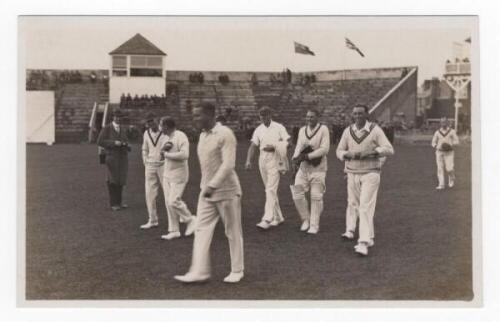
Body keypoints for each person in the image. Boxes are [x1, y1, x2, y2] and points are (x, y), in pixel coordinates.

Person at [174, 102, 244, 283]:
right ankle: (199, 271)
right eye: (194, 115)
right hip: (206, 192)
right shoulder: (203, 135)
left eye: (198, 115)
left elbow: (229, 164)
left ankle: (237, 270)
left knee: (232, 232)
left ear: (210, 115)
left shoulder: (225, 134)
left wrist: (213, 185)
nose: (194, 119)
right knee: (201, 229)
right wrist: (207, 187)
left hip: (227, 191)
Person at [336, 104, 394, 256]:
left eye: (361, 113)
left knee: (365, 206)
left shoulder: (375, 129)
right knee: (353, 203)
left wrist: (373, 152)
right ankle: (357, 232)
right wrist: (347, 155)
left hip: (371, 173)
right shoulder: (348, 131)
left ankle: (363, 242)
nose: (357, 116)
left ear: (367, 115)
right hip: (352, 172)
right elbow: (339, 150)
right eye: (355, 113)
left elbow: (389, 149)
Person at [245, 106, 290, 229]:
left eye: (265, 115)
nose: (263, 118)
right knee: (269, 189)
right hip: (262, 160)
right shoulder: (258, 129)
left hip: (275, 159)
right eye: (261, 116)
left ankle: (267, 219)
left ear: (270, 115)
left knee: (270, 189)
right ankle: (278, 217)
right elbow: (253, 146)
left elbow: (288, 142)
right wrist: (249, 160)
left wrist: (275, 146)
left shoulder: (279, 127)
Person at [290, 108, 330, 234]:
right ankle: (305, 219)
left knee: (316, 196)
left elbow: (325, 149)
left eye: (312, 117)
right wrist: (295, 158)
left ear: (317, 117)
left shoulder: (323, 129)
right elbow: (299, 146)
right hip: (303, 167)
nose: (309, 119)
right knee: (297, 193)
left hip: (318, 168)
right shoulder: (302, 130)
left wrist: (308, 156)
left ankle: (314, 225)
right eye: (308, 117)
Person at [159, 116, 196, 240]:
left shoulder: (181, 136)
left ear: (167, 126)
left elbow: (185, 155)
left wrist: (167, 154)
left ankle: (190, 220)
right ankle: (174, 230)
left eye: (161, 125)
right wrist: (162, 153)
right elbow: (163, 155)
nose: (160, 128)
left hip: (179, 174)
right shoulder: (166, 138)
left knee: (173, 201)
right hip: (167, 174)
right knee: (168, 203)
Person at [97, 110, 130, 211]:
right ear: (113, 117)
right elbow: (100, 141)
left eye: (120, 117)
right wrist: (114, 143)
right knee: (112, 180)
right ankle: (113, 204)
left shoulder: (122, 128)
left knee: (121, 179)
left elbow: (126, 140)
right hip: (112, 157)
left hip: (122, 157)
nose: (118, 118)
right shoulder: (107, 128)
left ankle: (119, 202)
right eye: (116, 117)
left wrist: (127, 145)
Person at [139, 113, 164, 229]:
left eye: (152, 121)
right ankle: (152, 219)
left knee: (170, 192)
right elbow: (144, 149)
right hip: (150, 166)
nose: (150, 124)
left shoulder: (164, 132)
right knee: (150, 193)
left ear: (157, 120)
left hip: (163, 166)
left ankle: (178, 215)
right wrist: (145, 160)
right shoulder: (146, 133)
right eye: (148, 122)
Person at [431, 117, 459, 189]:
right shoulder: (437, 132)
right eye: (442, 122)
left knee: (449, 168)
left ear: (447, 123)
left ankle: (451, 178)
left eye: (445, 122)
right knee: (440, 168)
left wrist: (450, 145)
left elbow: (457, 141)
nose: (443, 123)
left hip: (449, 152)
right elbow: (433, 142)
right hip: (439, 152)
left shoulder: (452, 131)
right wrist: (437, 146)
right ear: (440, 123)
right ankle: (441, 184)